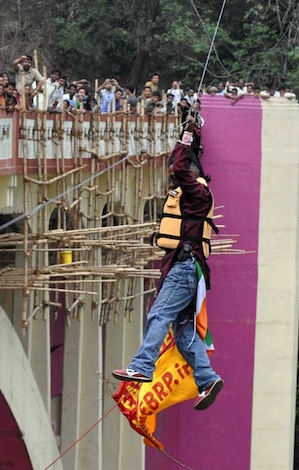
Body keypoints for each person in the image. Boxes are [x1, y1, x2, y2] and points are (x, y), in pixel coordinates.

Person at [113, 139, 223, 411]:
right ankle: (207, 379)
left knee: (159, 315)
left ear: (193, 175)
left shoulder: (198, 194)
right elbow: (183, 166)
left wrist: (182, 144)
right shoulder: (196, 197)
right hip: (189, 271)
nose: (174, 183)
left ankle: (142, 366)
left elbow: (181, 168)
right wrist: (190, 140)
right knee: (185, 334)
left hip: (184, 268)